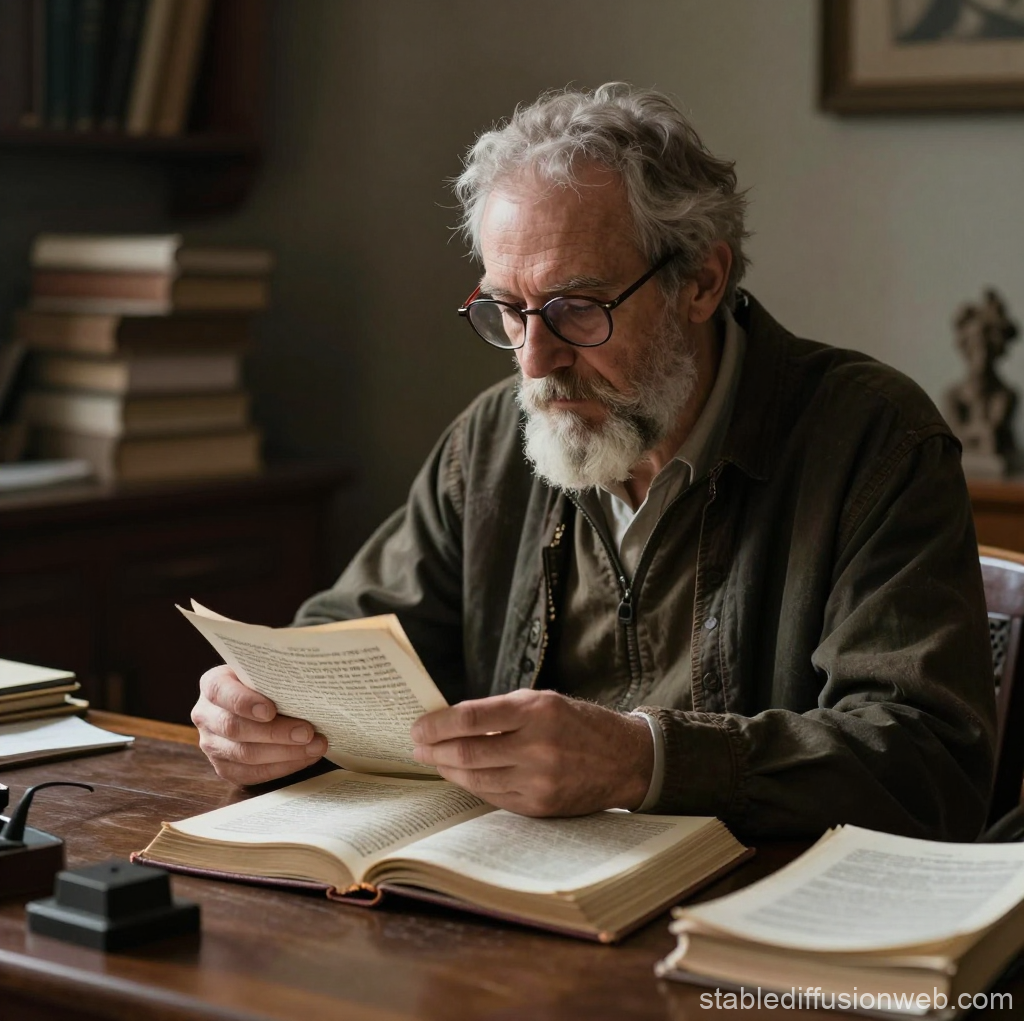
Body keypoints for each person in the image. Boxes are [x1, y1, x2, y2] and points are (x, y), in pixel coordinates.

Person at [191, 83, 996, 841]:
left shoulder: (873, 441)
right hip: (505, 910)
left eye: (577, 308)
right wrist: (262, 708)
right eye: (508, 310)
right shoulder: (490, 445)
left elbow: (925, 759)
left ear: (702, 282)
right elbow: (354, 636)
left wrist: (643, 761)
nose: (534, 361)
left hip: (758, 936)